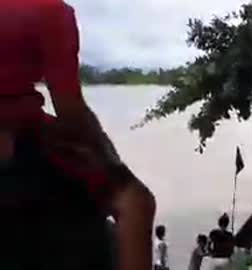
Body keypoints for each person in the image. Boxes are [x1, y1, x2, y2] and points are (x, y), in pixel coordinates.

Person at [0, 1, 155, 270]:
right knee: (137, 202)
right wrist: (110, 159)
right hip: (19, 128)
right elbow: (70, 110)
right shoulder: (49, 10)